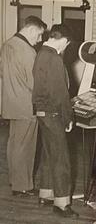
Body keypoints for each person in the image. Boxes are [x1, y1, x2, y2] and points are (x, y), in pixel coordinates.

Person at [32, 24, 78, 218]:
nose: (65, 48)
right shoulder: (54, 58)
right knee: (61, 159)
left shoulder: (40, 54)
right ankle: (61, 204)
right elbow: (60, 93)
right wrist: (68, 117)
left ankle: (46, 193)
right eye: (66, 44)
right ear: (62, 40)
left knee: (48, 154)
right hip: (53, 114)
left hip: (42, 112)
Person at [0, 16, 47, 196]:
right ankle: (22, 186)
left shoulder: (7, 44)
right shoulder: (28, 51)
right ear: (32, 30)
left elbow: (3, 73)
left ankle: (15, 180)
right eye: (40, 34)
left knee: (14, 144)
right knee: (25, 147)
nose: (40, 39)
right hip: (26, 105)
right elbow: (34, 83)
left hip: (10, 103)